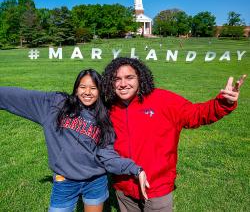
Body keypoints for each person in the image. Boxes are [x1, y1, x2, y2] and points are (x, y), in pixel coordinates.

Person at [102, 57, 246, 212]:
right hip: (124, 187)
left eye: (129, 77)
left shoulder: (163, 100)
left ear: (140, 78)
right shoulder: (110, 108)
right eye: (117, 79)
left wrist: (224, 103)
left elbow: (196, 114)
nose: (123, 84)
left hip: (157, 187)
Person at [0, 69, 149, 212]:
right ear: (76, 88)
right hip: (65, 181)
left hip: (95, 182)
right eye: (82, 87)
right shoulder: (56, 105)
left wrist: (136, 169)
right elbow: (19, 97)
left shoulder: (104, 118)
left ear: (100, 91)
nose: (87, 92)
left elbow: (107, 155)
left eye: (93, 88)